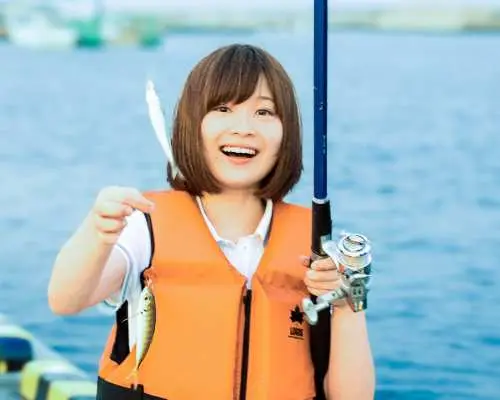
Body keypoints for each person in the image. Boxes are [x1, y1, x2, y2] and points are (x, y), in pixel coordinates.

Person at [48, 44, 375, 400]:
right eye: (223, 108)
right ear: (192, 125)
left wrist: (347, 304)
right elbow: (65, 300)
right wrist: (97, 234)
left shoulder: (313, 243)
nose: (243, 128)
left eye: (264, 112)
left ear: (288, 135)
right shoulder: (145, 224)